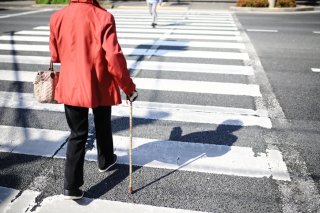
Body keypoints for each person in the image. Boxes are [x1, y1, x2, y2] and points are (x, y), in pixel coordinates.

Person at [49, 0, 138, 200]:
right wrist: (128, 88)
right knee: (103, 123)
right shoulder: (103, 17)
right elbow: (114, 58)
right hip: (99, 81)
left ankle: (71, 186)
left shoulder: (57, 17)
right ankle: (105, 161)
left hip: (72, 82)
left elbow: (55, 55)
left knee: (77, 133)